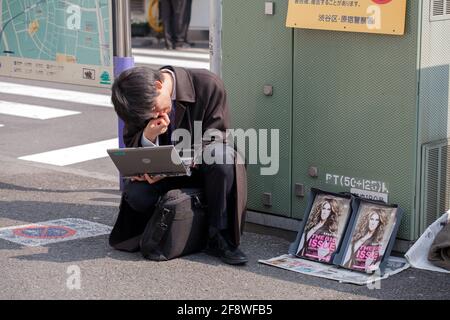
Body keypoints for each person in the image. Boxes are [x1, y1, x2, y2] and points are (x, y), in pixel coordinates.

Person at [108, 65, 248, 265]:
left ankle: (220, 236)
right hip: (164, 175)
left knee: (222, 157)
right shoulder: (138, 100)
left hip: (203, 171)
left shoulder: (207, 84)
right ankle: (162, 230)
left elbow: (217, 136)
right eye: (147, 115)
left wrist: (175, 166)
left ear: (158, 86)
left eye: (154, 109)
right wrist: (148, 139)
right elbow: (132, 143)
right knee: (137, 195)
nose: (154, 116)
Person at [296, 198, 340, 262]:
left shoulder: (328, 230)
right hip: (302, 257)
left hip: (312, 260)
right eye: (323, 208)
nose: (325, 212)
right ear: (320, 209)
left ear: (331, 213)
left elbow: (331, 252)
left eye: (328, 209)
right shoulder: (312, 224)